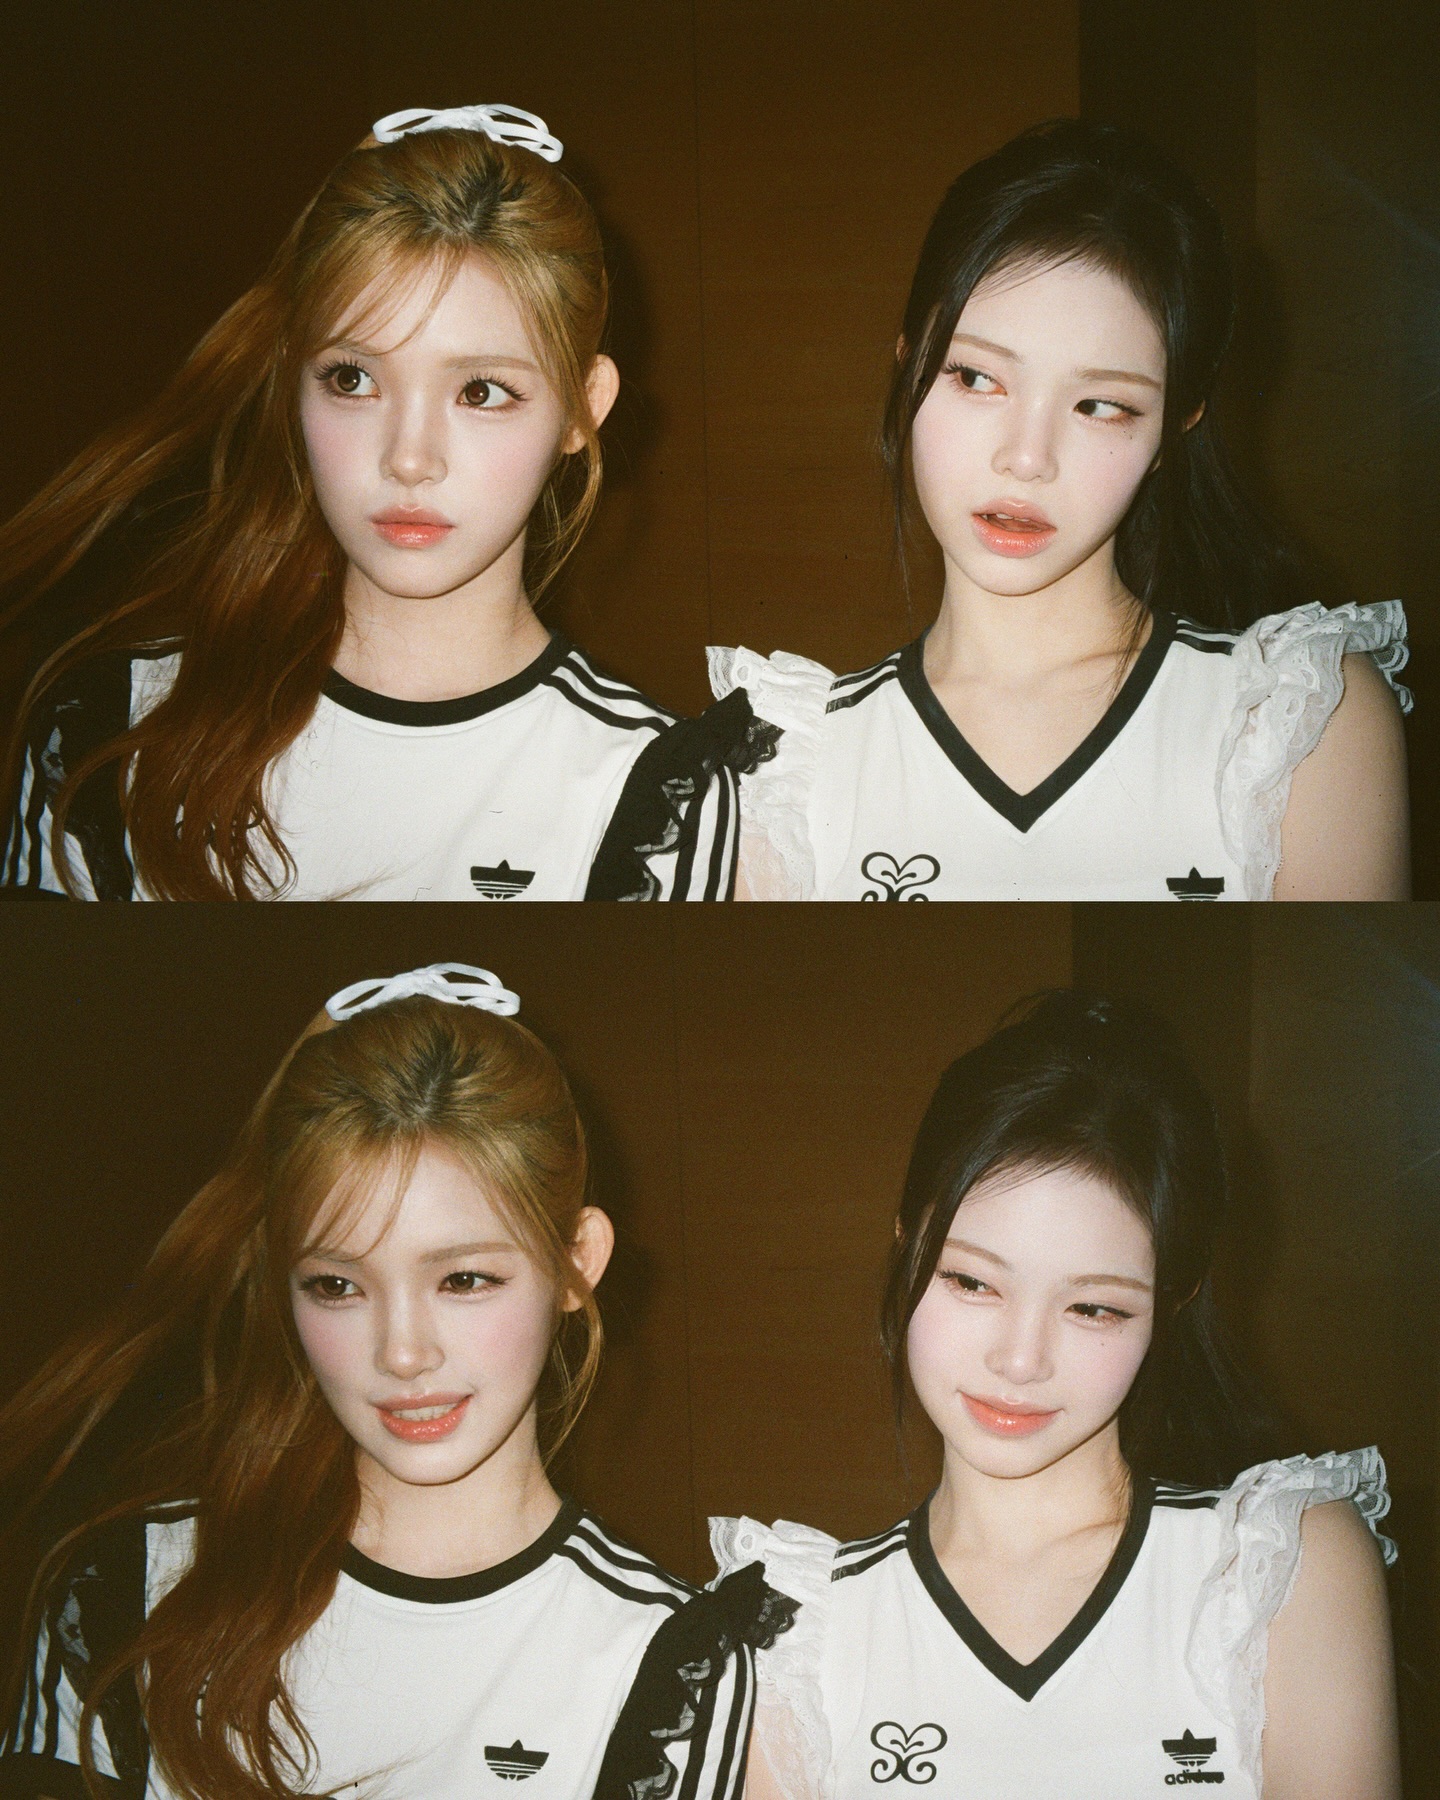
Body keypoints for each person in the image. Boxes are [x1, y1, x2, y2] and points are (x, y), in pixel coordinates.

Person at [0, 963, 788, 1800]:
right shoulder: (128, 1586)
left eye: (464, 1280)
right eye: (337, 1286)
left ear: (576, 1262)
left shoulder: (668, 1664)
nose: (402, 1354)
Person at [1, 105, 757, 901]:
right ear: (293, 381)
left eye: (481, 391)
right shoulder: (109, 725)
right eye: (352, 379)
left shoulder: (653, 791)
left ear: (583, 407)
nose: (408, 458)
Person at [712, 992, 1400, 1799]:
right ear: (905, 1247)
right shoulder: (794, 1631)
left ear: (1171, 1302)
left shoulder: (1276, 1571)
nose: (1020, 1360)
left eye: (1093, 1308)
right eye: (972, 1282)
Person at [709, 120, 1410, 900]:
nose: (1027, 458)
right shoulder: (788, 764)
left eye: (1100, 405)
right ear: (908, 370)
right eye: (977, 378)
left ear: (1174, 427)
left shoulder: (1297, 722)